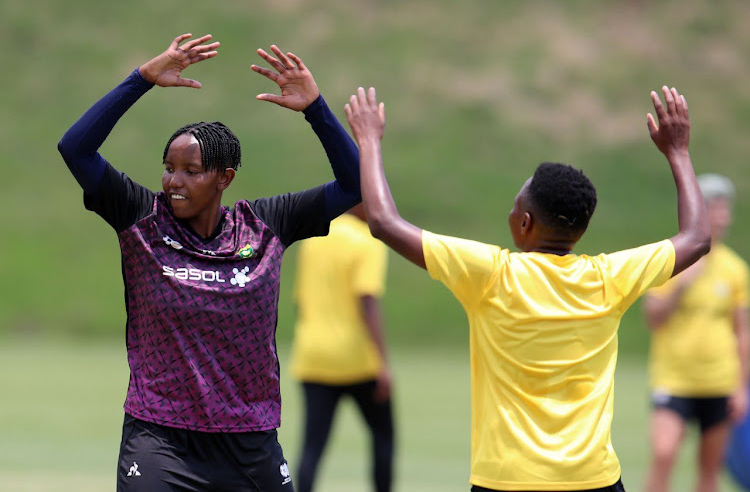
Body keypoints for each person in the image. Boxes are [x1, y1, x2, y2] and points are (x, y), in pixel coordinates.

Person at [344, 85, 710, 491]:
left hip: (507, 482)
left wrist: (369, 142)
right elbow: (696, 237)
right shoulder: (611, 278)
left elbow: (383, 222)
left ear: (525, 223)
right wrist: (678, 152)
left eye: (516, 205)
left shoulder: (490, 275)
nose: (511, 211)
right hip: (593, 481)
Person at [56, 33, 361, 492]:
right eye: (169, 167)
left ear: (224, 177)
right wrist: (141, 79)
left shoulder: (266, 225)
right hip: (160, 440)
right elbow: (74, 148)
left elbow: (357, 184)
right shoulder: (141, 218)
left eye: (191, 172)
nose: (173, 181)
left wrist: (317, 108)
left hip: (249, 443)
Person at [643, 173, 749, 492]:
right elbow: (653, 318)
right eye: (713, 206)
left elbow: (742, 332)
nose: (721, 215)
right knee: (663, 454)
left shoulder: (735, 269)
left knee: (709, 469)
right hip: (674, 379)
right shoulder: (669, 260)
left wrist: (742, 386)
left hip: (718, 380)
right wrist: (681, 287)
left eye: (724, 208)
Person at [289, 202, 394, 492]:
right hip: (357, 359)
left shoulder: (314, 238)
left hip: (313, 356)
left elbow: (301, 301)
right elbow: (367, 301)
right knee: (383, 437)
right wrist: (383, 363)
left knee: (312, 447)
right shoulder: (367, 241)